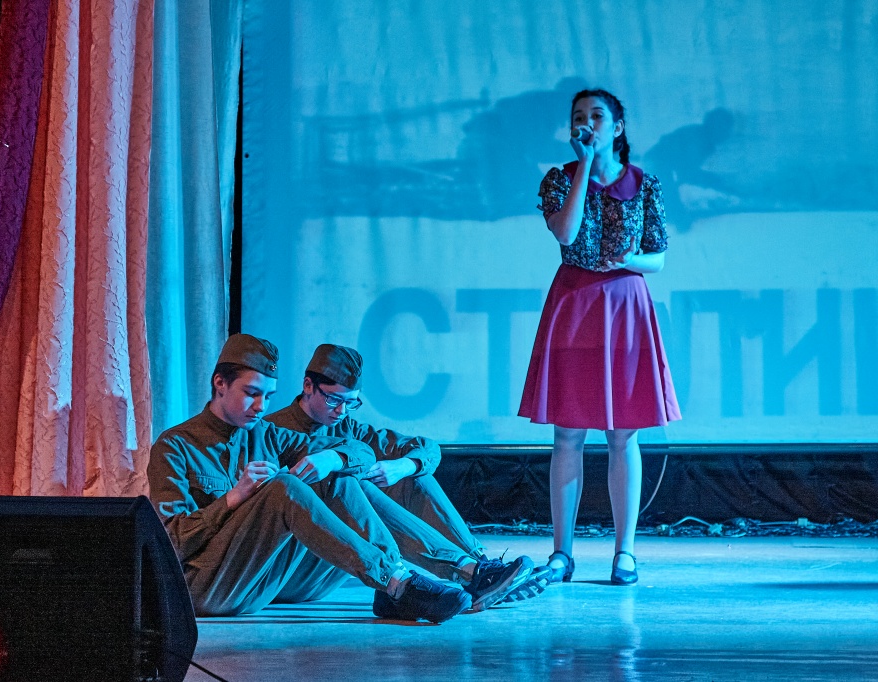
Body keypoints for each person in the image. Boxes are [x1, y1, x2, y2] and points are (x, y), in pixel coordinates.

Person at [148, 334, 471, 623]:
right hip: (206, 588)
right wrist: (234, 497)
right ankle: (397, 583)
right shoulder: (175, 445)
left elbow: (362, 452)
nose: (260, 406)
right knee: (284, 487)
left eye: (268, 397)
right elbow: (172, 542)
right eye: (251, 393)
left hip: (264, 583)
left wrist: (330, 459)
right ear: (220, 383)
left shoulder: (267, 434)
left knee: (333, 475)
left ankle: (406, 577)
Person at [518, 89, 682, 587]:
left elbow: (658, 257)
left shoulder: (644, 183)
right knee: (568, 433)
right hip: (574, 306)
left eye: (597, 116)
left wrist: (629, 260)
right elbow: (567, 235)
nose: (587, 123)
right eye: (578, 117)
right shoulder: (560, 178)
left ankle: (624, 552)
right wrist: (585, 166)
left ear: (618, 126)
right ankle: (561, 553)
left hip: (625, 308)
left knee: (623, 433)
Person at [266, 343, 535, 610]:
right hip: (290, 570)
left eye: (351, 403)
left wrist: (402, 467)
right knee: (346, 482)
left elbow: (428, 448)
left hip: (340, 563)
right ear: (308, 386)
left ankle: (479, 568)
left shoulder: (346, 427)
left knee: (412, 475)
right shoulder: (272, 430)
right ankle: (452, 574)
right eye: (334, 400)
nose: (341, 411)